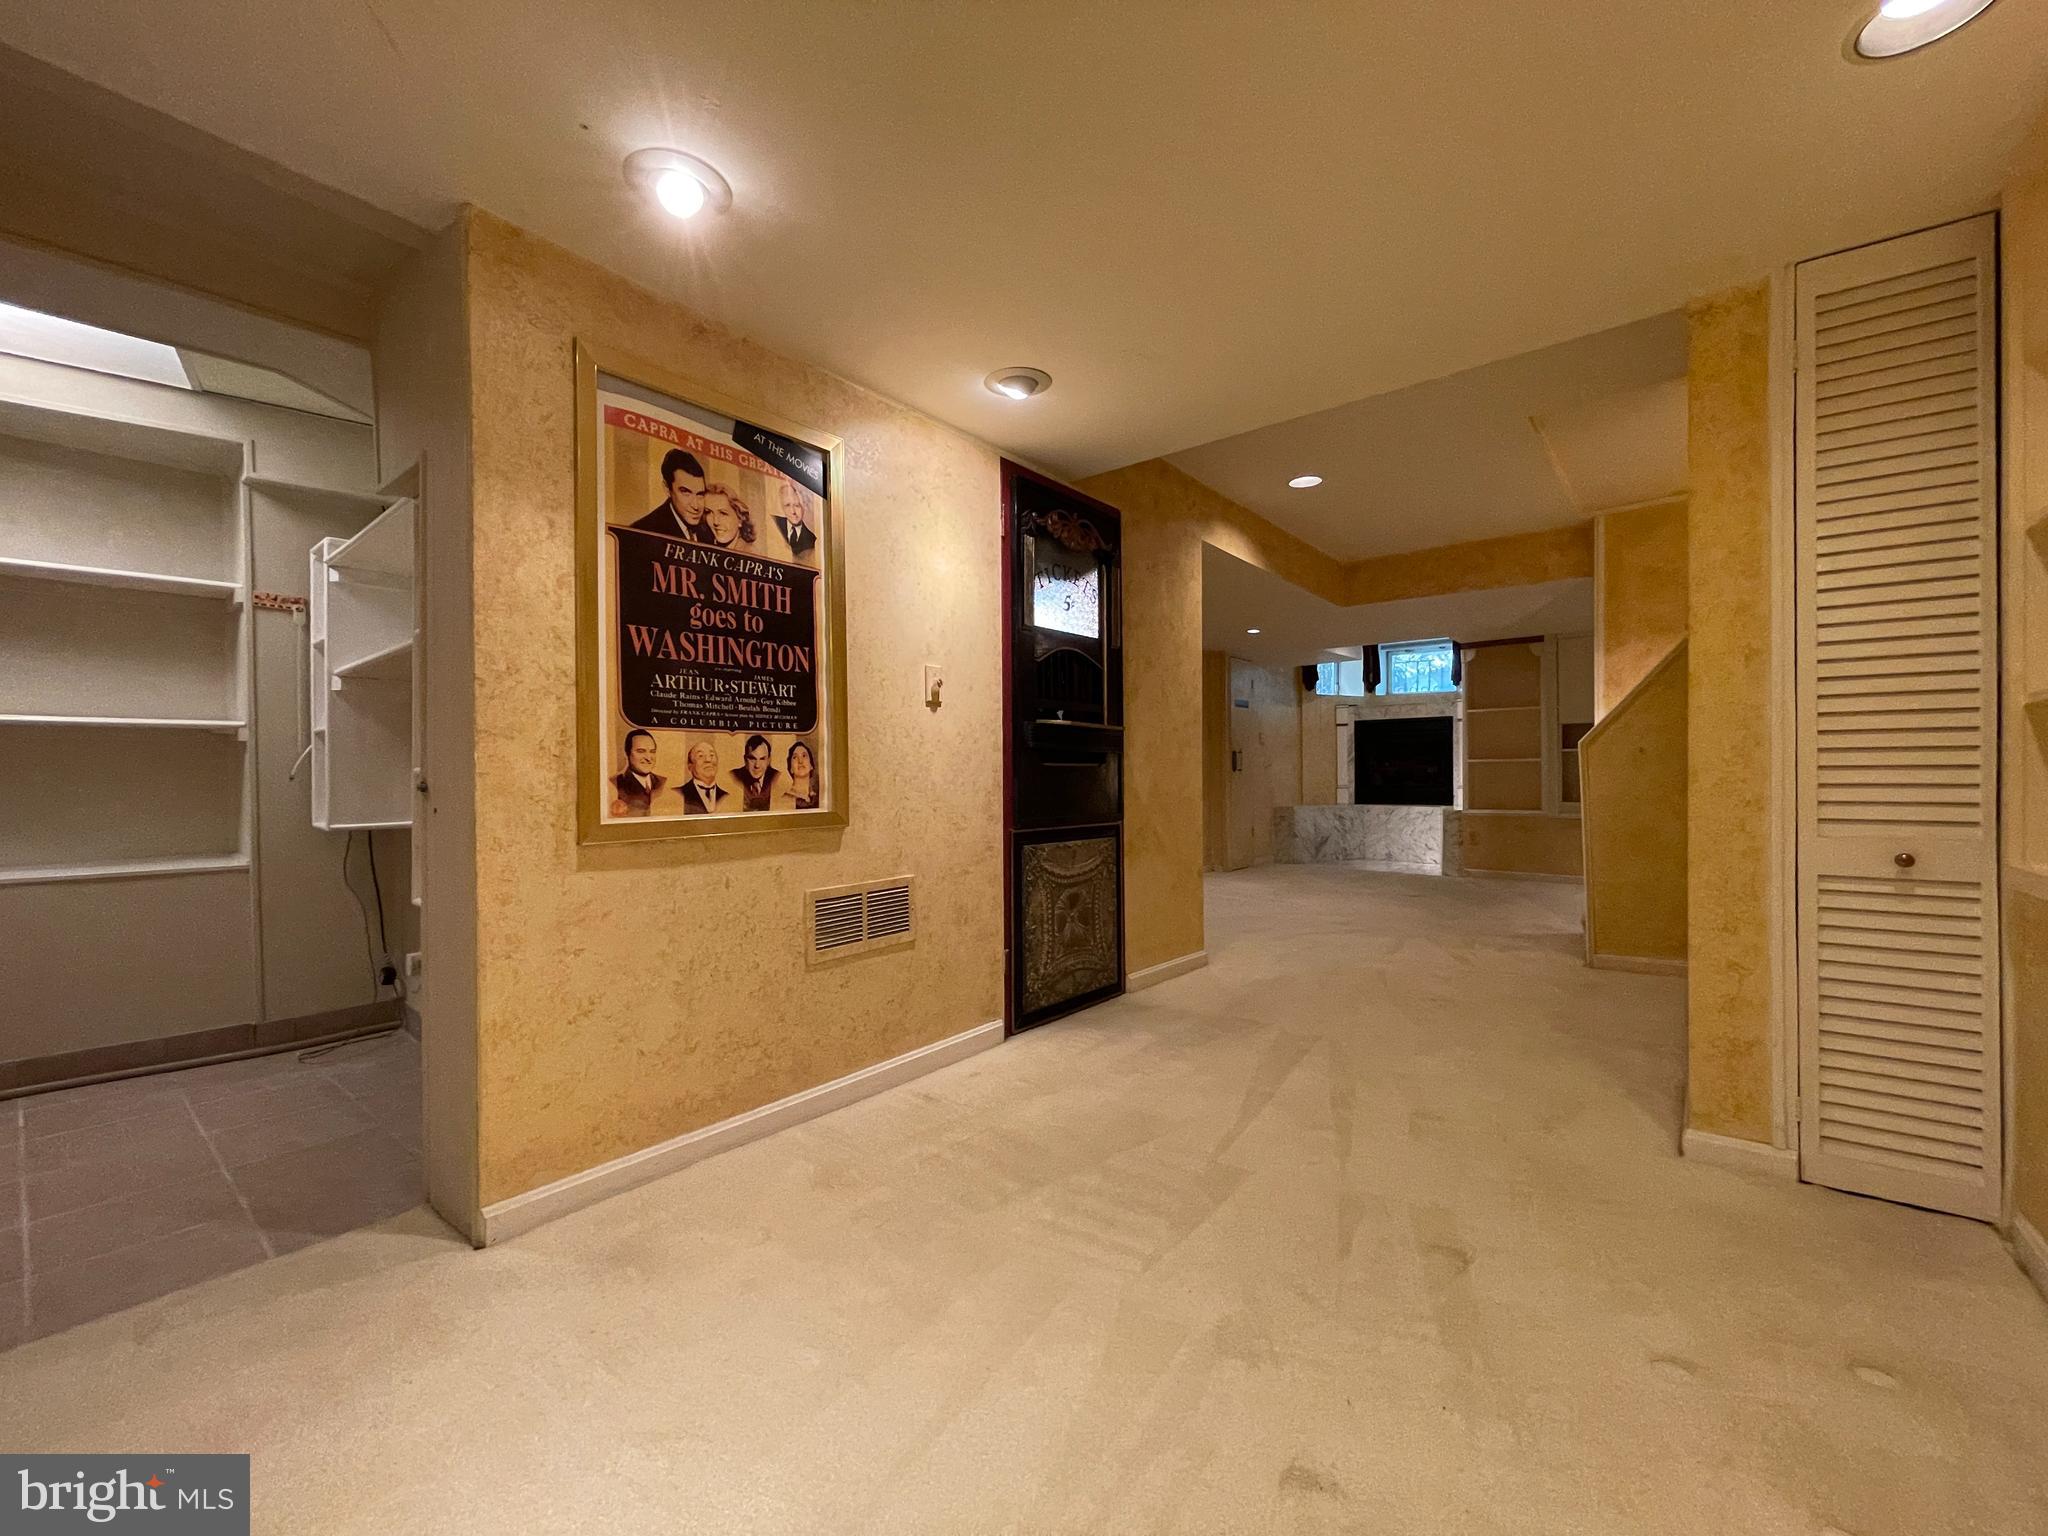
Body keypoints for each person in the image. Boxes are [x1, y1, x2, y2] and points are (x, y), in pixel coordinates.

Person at [631, 448, 711, 540]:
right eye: (685, 492)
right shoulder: (642, 532)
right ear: (667, 489)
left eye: (700, 494)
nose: (696, 506)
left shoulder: (711, 529)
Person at [608, 728, 664, 816]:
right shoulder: (614, 784)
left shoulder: (663, 782)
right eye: (641, 751)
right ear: (627, 754)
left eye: (652, 752)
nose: (648, 758)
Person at [674, 740, 728, 814]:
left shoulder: (726, 796)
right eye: (701, 756)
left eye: (711, 755)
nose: (708, 760)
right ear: (690, 766)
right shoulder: (677, 794)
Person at [729, 733, 780, 811]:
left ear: (769, 761)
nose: (757, 765)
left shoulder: (778, 777)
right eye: (752, 759)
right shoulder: (732, 777)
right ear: (745, 760)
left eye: (762, 759)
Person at [772, 479, 819, 562]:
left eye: (797, 506)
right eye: (787, 505)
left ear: (803, 508)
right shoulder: (773, 523)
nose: (793, 511)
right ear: (782, 507)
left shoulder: (811, 539)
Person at [700, 485, 757, 550]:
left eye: (723, 513)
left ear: (740, 519)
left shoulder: (750, 554)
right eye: (709, 512)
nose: (715, 521)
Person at [774, 739, 820, 810]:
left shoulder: (818, 798)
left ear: (811, 765)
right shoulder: (785, 800)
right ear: (791, 769)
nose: (800, 761)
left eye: (804, 756)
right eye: (795, 757)